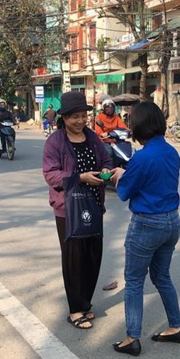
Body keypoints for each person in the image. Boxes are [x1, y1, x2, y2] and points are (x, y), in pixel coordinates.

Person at [109, 101, 180, 357]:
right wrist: (128, 172)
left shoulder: (141, 158)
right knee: (162, 277)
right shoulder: (172, 152)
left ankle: (132, 338)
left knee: (134, 281)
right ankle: (175, 327)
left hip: (147, 224)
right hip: (172, 222)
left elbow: (124, 192)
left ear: (139, 126)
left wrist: (120, 175)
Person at [42, 91, 113, 330]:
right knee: (73, 259)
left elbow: (106, 161)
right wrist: (80, 177)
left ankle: (85, 303)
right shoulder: (55, 141)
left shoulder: (92, 138)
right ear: (64, 118)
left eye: (83, 115)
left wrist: (106, 171)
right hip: (68, 209)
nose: (80, 120)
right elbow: (50, 174)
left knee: (92, 256)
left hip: (93, 204)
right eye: (75, 117)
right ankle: (75, 310)